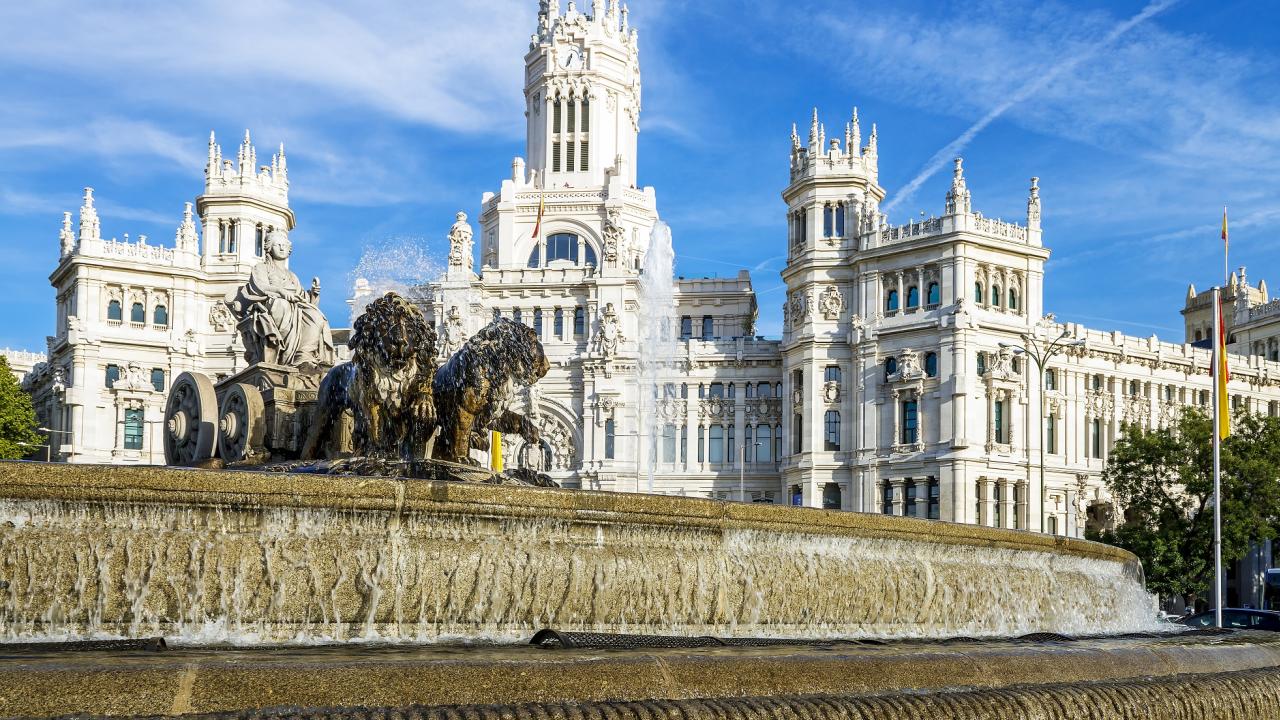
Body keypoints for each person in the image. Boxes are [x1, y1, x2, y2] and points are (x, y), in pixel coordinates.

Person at [229, 230, 336, 368]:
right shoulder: (261, 268)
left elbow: (304, 299)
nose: (281, 248)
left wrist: (314, 294)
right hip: (270, 305)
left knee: (316, 316)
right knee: (282, 304)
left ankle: (302, 356)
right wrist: (280, 291)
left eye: (284, 245)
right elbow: (259, 287)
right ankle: (284, 357)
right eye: (277, 245)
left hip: (296, 308)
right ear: (269, 248)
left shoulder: (292, 276)